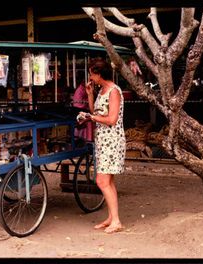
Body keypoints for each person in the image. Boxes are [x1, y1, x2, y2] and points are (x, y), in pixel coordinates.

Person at [83, 57, 126, 234]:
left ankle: (116, 221)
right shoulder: (101, 90)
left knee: (101, 180)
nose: (90, 78)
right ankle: (111, 217)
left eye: (92, 74)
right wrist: (90, 95)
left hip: (112, 140)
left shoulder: (114, 91)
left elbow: (111, 119)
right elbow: (96, 112)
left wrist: (91, 118)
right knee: (108, 181)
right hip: (103, 139)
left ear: (99, 74)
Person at [72, 72, 94, 142]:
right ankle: (88, 138)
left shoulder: (81, 88)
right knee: (89, 119)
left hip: (81, 108)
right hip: (80, 108)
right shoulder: (82, 89)